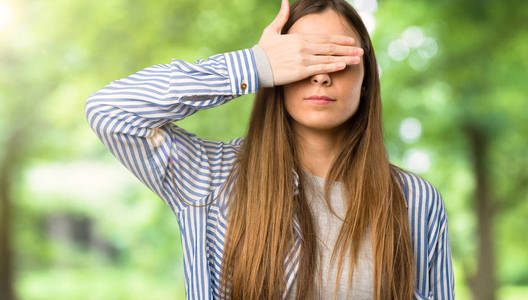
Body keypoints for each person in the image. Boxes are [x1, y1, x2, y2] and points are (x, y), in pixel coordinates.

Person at [84, 0, 454, 299]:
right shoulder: (209, 179)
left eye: (337, 58)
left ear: (367, 81)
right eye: (304, 58)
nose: (321, 74)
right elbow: (112, 111)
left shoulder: (415, 201)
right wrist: (254, 65)